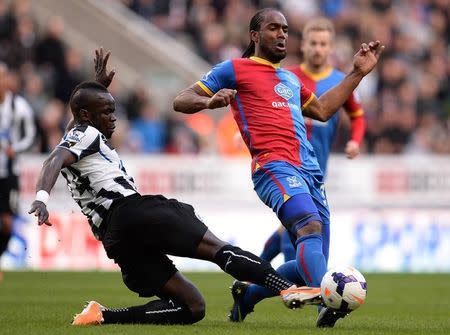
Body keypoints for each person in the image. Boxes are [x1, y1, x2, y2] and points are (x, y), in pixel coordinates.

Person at [28, 49, 320, 326]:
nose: (113, 117)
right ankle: (288, 288)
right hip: (134, 212)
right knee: (221, 251)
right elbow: (53, 160)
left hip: (116, 239)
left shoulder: (79, 133)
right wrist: (42, 198)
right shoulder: (86, 133)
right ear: (86, 116)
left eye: (112, 109)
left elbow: (68, 135)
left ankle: (103, 315)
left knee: (192, 307)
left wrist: (96, 86)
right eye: (106, 111)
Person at [173, 8, 383, 328]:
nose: (282, 34)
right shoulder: (235, 69)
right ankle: (324, 302)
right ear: (255, 36)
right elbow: (181, 100)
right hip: (274, 166)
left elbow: (324, 110)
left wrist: (357, 73)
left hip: (311, 172)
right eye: (274, 28)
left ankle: (247, 296)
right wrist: (208, 102)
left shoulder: (289, 79)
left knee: (308, 259)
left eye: (285, 29)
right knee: (309, 228)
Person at [260, 17, 366, 266]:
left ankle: (254, 269)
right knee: (298, 225)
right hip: (287, 163)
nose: (318, 48)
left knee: (294, 225)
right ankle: (292, 288)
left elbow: (358, 116)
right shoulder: (286, 78)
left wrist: (355, 141)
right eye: (313, 43)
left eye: (323, 44)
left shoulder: (341, 83)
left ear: (330, 48)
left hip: (317, 167)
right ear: (303, 46)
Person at [0, 62, 36, 280]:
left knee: (6, 221)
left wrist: (17, 149)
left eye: (4, 76)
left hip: (9, 172)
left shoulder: (18, 106)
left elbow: (31, 135)